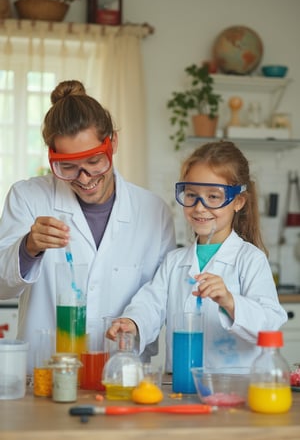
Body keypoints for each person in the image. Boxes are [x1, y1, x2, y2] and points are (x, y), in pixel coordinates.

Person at [0, 80, 176, 373]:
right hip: (44, 375)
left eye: (94, 161)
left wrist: (135, 323)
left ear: (113, 143)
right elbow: (1, 287)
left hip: (120, 375)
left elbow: (159, 296)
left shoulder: (153, 211)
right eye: (67, 166)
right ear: (51, 156)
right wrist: (28, 248)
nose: (83, 178)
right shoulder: (28, 197)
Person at [106, 140, 287, 371]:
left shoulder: (250, 260)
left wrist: (231, 302)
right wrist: (133, 322)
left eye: (213, 197)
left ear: (238, 202)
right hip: (182, 386)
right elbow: (150, 304)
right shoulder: (174, 262)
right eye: (191, 195)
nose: (200, 207)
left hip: (233, 390)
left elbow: (270, 324)